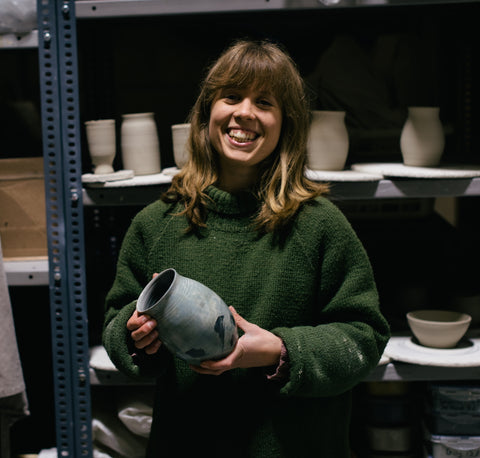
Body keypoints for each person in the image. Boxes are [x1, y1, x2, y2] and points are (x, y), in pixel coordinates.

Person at [103, 39, 390, 457]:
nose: (244, 113)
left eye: (265, 102)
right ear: (207, 112)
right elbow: (116, 322)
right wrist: (135, 336)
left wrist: (281, 350)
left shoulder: (318, 225)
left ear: (286, 123)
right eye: (232, 96)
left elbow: (364, 337)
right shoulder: (156, 224)